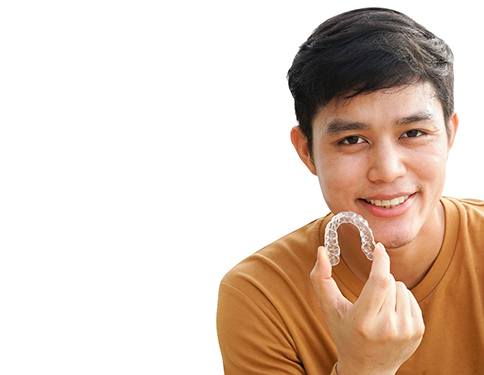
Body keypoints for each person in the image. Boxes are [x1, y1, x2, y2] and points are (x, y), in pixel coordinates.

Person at [216, 7, 484, 374]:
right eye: (352, 139)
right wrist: (364, 368)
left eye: (414, 133)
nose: (387, 170)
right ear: (307, 151)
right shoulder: (260, 295)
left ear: (450, 134)